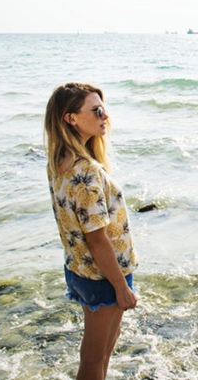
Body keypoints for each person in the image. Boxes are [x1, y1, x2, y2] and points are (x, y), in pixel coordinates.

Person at [44, 82, 138, 380]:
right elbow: (96, 238)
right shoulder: (85, 171)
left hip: (82, 269)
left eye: (104, 109)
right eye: (96, 110)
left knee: (99, 353)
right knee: (95, 357)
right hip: (104, 275)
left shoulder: (59, 160)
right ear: (71, 118)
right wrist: (121, 287)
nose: (105, 116)